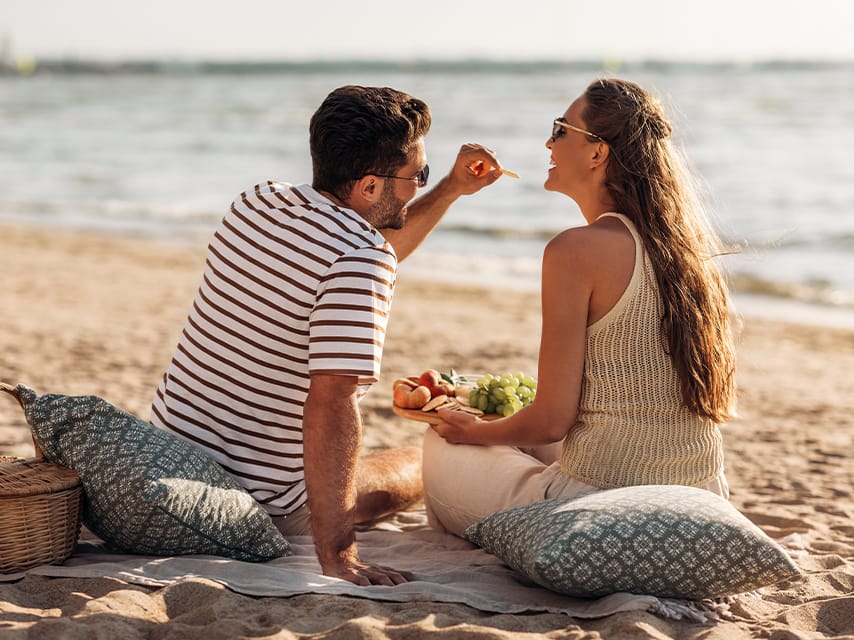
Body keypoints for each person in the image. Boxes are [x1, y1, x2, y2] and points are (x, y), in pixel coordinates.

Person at [151, 85, 507, 584]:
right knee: (425, 462)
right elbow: (333, 403)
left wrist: (449, 186)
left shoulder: (257, 202)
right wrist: (339, 555)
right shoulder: (362, 259)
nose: (418, 184)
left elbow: (354, 243)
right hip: (262, 498)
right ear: (366, 187)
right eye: (416, 176)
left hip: (170, 453)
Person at [423, 77, 737, 537]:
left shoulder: (575, 250)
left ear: (597, 152)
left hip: (595, 507)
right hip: (702, 499)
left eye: (561, 129)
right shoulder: (690, 253)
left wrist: (469, 432)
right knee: (522, 442)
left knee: (439, 444)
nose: (547, 142)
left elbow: (551, 421)